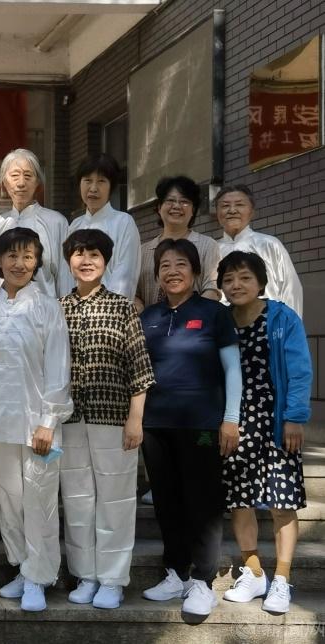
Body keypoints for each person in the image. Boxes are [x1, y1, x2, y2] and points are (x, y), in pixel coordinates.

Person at [139, 238, 241, 617]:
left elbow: (233, 369)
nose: (173, 271)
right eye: (165, 265)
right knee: (167, 502)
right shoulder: (148, 317)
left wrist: (231, 418)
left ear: (196, 272)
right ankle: (176, 572)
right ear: (157, 275)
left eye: (181, 264)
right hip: (156, 425)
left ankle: (202, 581)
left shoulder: (215, 314)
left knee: (203, 502)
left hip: (202, 424)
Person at [58, 229, 155, 610]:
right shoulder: (57, 308)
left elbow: (140, 368)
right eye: (79, 254)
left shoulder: (122, 307)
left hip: (114, 419)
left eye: (94, 254)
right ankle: (86, 575)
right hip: (68, 420)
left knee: (115, 500)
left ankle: (113, 579)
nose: (86, 261)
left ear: (106, 261)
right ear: (68, 261)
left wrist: (136, 418)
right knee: (77, 500)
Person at [0, 227, 72, 613]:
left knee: (40, 500)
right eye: (12, 255)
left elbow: (59, 367)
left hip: (39, 423)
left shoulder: (48, 307)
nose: (20, 263)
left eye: (28, 257)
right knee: (10, 499)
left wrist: (49, 420)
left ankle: (39, 576)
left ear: (37, 263)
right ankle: (21, 566)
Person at [217, 251, 312, 614]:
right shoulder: (221, 320)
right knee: (240, 499)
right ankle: (254, 572)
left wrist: (295, 417)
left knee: (281, 502)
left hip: (276, 422)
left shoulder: (282, 317)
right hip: (234, 423)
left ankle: (282, 579)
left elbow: (299, 369)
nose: (236, 285)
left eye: (244, 277)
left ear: (260, 282)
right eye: (229, 279)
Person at [0, 148, 70, 298]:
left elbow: (65, 276)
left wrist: (64, 310)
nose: (21, 183)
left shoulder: (56, 222)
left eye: (28, 176)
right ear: (4, 181)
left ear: (37, 182)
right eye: (14, 176)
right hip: (3, 310)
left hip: (45, 310)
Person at [57, 153, 140, 299]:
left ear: (111, 187)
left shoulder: (123, 222)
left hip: (109, 310)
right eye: (88, 180)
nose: (93, 188)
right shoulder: (74, 226)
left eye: (101, 181)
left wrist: (104, 308)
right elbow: (65, 276)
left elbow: (125, 276)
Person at [214, 185, 303, 316]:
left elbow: (290, 288)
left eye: (239, 205)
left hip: (268, 322)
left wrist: (290, 324)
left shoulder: (269, 244)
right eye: (225, 206)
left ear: (252, 212)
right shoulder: (211, 249)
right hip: (221, 323)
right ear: (217, 213)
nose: (232, 210)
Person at [135, 176, 221, 309]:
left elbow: (213, 289)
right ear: (159, 207)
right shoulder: (142, 251)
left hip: (195, 320)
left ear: (193, 210)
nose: (176, 206)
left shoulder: (208, 245)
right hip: (151, 321)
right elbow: (134, 293)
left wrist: (186, 316)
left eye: (184, 201)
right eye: (170, 200)